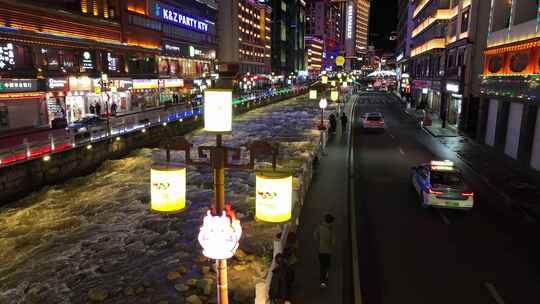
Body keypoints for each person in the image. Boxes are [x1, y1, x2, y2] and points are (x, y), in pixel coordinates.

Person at [313, 214, 335, 288]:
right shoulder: (330, 230)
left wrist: (319, 242)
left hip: (320, 250)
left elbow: (315, 235)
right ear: (330, 222)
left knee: (322, 266)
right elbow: (333, 241)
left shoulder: (319, 227)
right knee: (326, 265)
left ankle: (323, 279)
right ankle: (324, 279)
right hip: (328, 251)